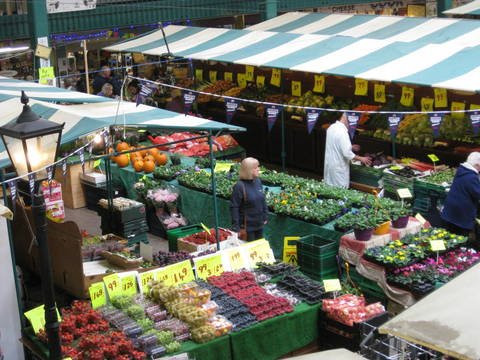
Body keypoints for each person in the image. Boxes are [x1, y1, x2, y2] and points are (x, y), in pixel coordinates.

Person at [323, 113, 371, 188]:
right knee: (339, 190)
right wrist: (361, 158)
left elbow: (335, 144)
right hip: (339, 168)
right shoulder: (342, 132)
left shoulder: (331, 128)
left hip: (330, 165)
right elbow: (347, 153)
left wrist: (350, 146)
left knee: (329, 187)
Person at [441, 152, 480, 236]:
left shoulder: (462, 170)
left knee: (449, 234)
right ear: (477, 165)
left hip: (451, 211)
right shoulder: (471, 177)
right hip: (461, 214)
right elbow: (477, 193)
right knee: (460, 237)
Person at [230, 157, 268, 242]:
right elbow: (234, 207)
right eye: (256, 168)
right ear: (249, 170)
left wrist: (265, 215)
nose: (259, 169)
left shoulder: (258, 181)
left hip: (259, 225)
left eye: (258, 166)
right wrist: (236, 227)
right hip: (247, 228)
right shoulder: (239, 186)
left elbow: (262, 200)